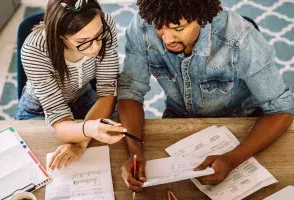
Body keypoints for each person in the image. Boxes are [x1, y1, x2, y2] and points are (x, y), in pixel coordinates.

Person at [117, 0, 294, 192]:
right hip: (178, 114)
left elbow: (282, 110)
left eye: (178, 27)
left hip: (241, 120)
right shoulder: (144, 24)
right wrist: (135, 153)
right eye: (160, 27)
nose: (167, 39)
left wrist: (231, 159)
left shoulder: (241, 38)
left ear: (201, 19)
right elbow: (130, 92)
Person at [16, 0, 126, 170]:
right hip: (39, 109)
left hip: (83, 96)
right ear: (60, 36)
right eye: (84, 41)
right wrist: (89, 130)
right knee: (41, 163)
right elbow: (60, 120)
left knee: (118, 146)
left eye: (99, 35)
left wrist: (81, 144)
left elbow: (107, 91)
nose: (96, 47)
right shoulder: (34, 50)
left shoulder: (105, 23)